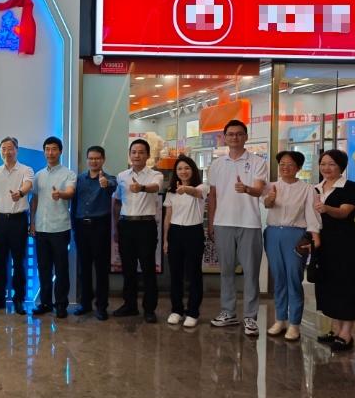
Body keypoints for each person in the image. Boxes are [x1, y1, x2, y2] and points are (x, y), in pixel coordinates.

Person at [207, 120, 267, 336]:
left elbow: (259, 190)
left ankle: (250, 317)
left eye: (239, 134)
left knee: (251, 273)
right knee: (226, 272)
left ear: (246, 137)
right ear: (224, 137)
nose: (235, 137)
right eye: (231, 134)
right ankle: (228, 312)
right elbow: (213, 196)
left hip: (249, 223)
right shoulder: (217, 164)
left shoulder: (258, 162)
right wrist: (211, 223)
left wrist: (247, 189)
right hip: (223, 224)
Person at [263, 150, 321, 341]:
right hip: (272, 233)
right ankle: (280, 319)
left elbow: (312, 215)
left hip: (295, 235)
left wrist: (314, 238)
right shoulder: (271, 186)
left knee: (294, 278)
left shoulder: (308, 189)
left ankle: (294, 323)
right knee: (279, 277)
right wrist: (269, 200)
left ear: (298, 167)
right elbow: (266, 204)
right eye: (282, 164)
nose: (285, 168)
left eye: (289, 164)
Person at [112, 138, 164, 323]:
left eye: (141, 152)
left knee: (148, 268)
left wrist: (141, 187)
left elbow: (155, 188)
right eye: (134, 152)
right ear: (129, 155)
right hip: (126, 225)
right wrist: (116, 227)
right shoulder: (121, 176)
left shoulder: (155, 175)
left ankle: (149, 309)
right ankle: (130, 305)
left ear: (148, 155)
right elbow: (117, 202)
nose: (137, 155)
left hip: (146, 226)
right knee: (128, 268)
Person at [313, 149, 355, 352]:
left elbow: (344, 212)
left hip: (344, 244)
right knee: (327, 285)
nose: (326, 168)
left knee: (345, 286)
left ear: (341, 166)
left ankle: (346, 334)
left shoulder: (351, 187)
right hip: (322, 244)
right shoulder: (316, 187)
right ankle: (335, 329)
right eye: (323, 164)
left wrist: (326, 209)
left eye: (331, 164)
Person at [0, 137, 34, 315]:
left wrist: (20, 193)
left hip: (19, 220)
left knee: (19, 262)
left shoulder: (26, 170)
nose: (7, 152)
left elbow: (28, 185)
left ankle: (19, 299)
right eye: (3, 148)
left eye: (10, 148)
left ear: (16, 150)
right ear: (0, 151)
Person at [30, 136, 76, 318]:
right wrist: (32, 222)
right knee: (43, 268)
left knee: (61, 269)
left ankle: (61, 304)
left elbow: (70, 192)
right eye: (47, 149)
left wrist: (60, 194)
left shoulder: (68, 174)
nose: (50, 153)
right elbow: (34, 200)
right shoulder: (38, 175)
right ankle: (45, 303)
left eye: (54, 149)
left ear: (60, 151)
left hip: (60, 228)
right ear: (44, 152)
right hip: (41, 228)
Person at [72, 145, 117, 320]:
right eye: (91, 158)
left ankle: (101, 306)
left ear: (103, 160)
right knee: (84, 267)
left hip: (100, 227)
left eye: (97, 158)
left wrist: (105, 183)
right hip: (81, 226)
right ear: (87, 160)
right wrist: (74, 225)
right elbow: (74, 203)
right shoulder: (79, 179)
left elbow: (112, 186)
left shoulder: (109, 179)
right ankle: (85, 303)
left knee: (101, 268)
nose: (94, 161)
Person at [163, 155, 208, 328]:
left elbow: (196, 193)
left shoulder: (202, 187)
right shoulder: (171, 191)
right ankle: (176, 310)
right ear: (176, 172)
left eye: (187, 168)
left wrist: (186, 189)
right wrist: (166, 239)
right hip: (175, 232)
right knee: (175, 274)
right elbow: (168, 216)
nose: (183, 171)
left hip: (193, 232)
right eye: (180, 168)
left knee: (193, 273)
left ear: (193, 170)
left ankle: (193, 312)